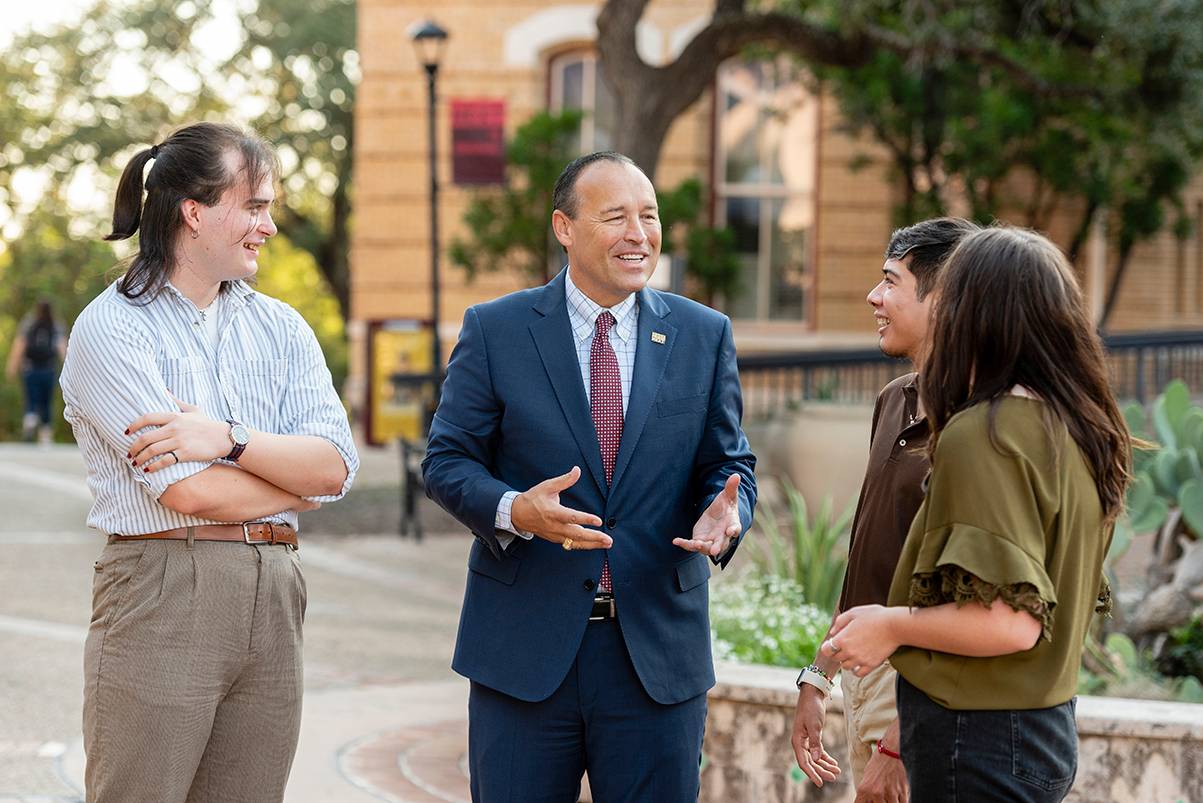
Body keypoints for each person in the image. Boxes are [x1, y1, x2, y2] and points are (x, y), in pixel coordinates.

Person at [422, 151, 758, 802]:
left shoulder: (702, 333)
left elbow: (727, 460)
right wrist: (516, 509)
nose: (639, 234)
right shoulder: (496, 329)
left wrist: (728, 509)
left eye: (649, 215)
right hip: (523, 653)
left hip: (655, 655)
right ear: (564, 228)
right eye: (615, 217)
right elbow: (446, 460)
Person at [59, 121, 358, 803]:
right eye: (254, 206)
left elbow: (336, 466)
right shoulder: (112, 328)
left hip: (277, 592)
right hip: (165, 587)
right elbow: (187, 491)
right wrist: (293, 486)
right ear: (194, 211)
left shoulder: (282, 328)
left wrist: (229, 438)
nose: (269, 226)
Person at [821, 226, 1129, 803]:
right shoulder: (1078, 428)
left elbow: (1010, 622)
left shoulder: (985, 433)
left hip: (977, 738)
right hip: (1039, 730)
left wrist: (892, 625)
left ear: (975, 311)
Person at [791, 218, 980, 802]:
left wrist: (902, 741)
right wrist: (819, 676)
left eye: (890, 281)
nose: (873, 296)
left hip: (920, 691)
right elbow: (870, 555)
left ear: (943, 298)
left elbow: (965, 597)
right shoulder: (894, 398)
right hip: (866, 678)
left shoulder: (976, 421)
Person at [6, 299, 66, 443]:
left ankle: (30, 418)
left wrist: (12, 366)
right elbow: (62, 348)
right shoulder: (56, 324)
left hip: (31, 368)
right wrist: (68, 368)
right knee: (46, 401)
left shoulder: (29, 323)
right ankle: (45, 434)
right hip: (48, 368)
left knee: (32, 398)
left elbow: (20, 345)